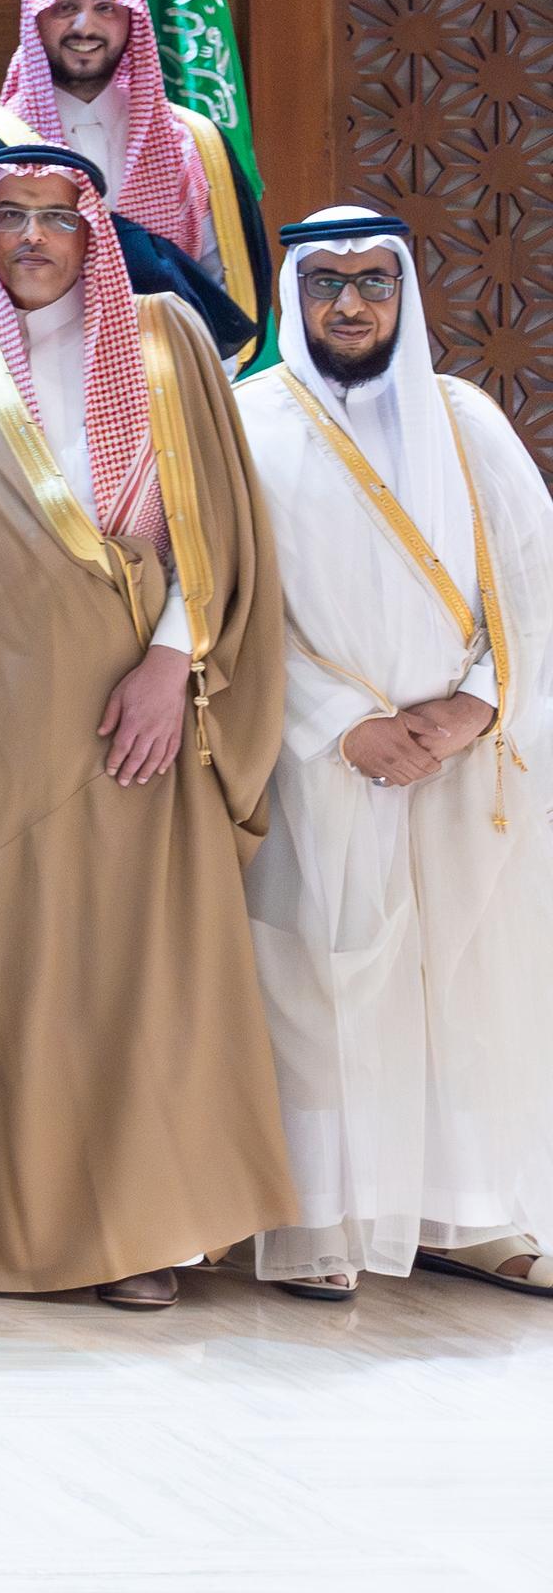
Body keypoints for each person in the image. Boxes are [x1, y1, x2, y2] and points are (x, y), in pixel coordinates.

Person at [0, 145, 289, 1306]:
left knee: (136, 977)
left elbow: (221, 530)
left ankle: (141, 1234)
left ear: (91, 227)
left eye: (53, 216)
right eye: (6, 214)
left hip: (133, 724)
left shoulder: (166, 343)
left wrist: (170, 661)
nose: (28, 237)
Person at [233, 208, 553, 1302]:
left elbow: (533, 584)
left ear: (405, 293)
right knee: (321, 987)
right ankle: (323, 1217)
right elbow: (233, 609)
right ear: (294, 296)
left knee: (468, 983)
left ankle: (472, 1213)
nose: (350, 304)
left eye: (374, 281)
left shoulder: (465, 421)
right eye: (325, 282)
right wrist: (341, 722)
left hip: (467, 762)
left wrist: (473, 706)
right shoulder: (248, 424)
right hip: (320, 763)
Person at [0, 0, 268, 364]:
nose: (84, 27)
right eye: (65, 7)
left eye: (105, 8)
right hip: (18, 384)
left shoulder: (192, 141)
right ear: (36, 17)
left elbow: (222, 289)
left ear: (132, 18)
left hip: (164, 382)